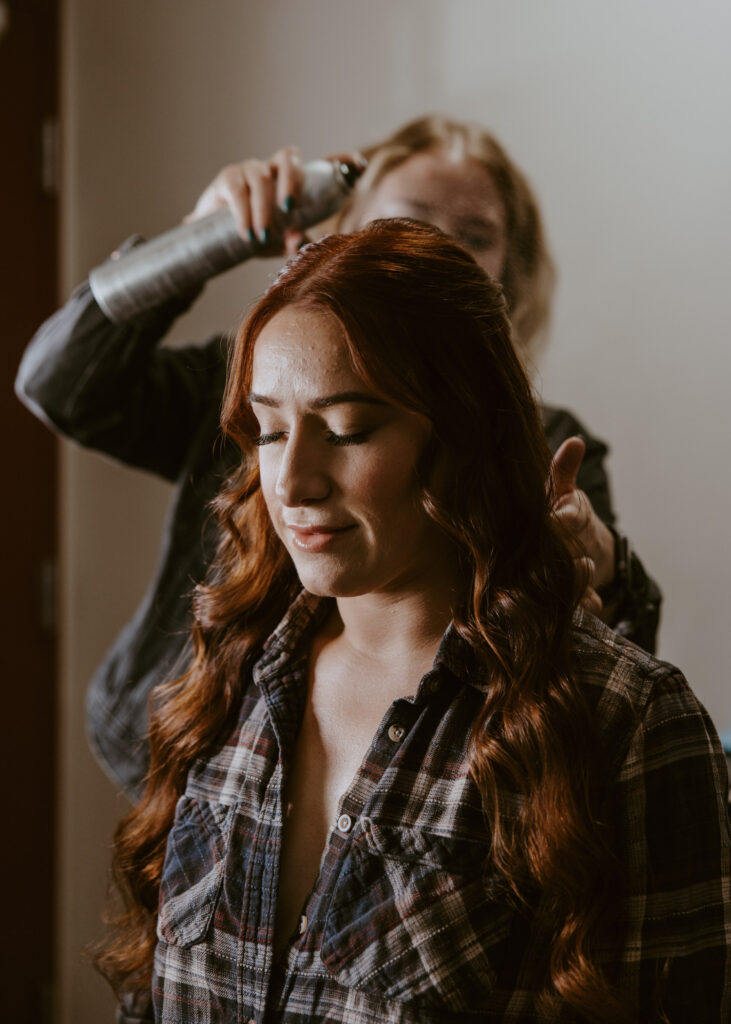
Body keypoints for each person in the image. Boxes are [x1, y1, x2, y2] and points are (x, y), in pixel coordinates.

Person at [96, 220, 729, 1024]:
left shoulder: (626, 721)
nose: (291, 480)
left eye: (348, 430)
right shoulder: (230, 674)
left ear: (464, 432)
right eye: (270, 429)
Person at [15, 115, 660, 800]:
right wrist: (200, 243)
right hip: (193, 770)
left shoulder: (543, 445)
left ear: (509, 273)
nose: (291, 479)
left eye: (473, 238)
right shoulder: (232, 387)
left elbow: (603, 673)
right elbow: (60, 382)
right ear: (345, 235)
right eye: (268, 431)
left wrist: (607, 569)